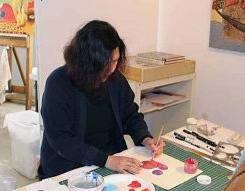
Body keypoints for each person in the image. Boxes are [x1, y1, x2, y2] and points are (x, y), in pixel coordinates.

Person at [38, 20, 165, 180]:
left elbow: (130, 116)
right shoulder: (58, 83)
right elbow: (61, 139)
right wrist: (107, 161)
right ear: (87, 61)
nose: (112, 69)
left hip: (110, 161)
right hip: (70, 167)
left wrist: (145, 138)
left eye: (115, 61)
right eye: (106, 63)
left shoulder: (115, 80)